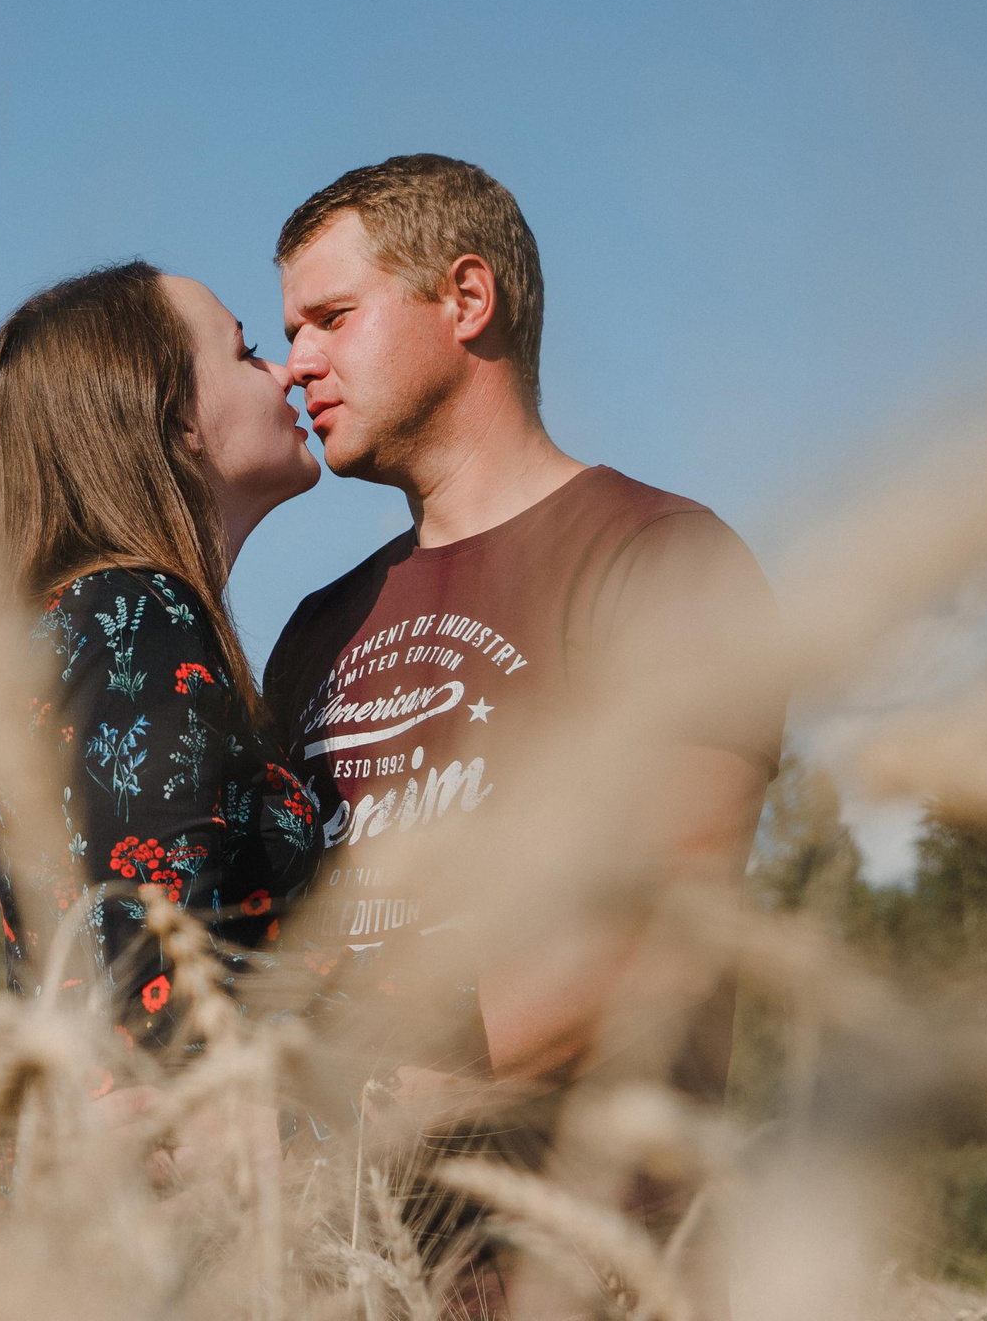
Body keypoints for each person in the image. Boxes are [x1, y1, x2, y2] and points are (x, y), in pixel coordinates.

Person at [258, 155, 783, 1287]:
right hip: (350, 1280)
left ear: (465, 300)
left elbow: (655, 933)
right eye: (289, 331)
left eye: (332, 318)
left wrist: (336, 1115)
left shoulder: (660, 559)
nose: (298, 364)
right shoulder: (312, 631)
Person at [0, 260, 337, 1049]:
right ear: (178, 418)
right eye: (246, 350)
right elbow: (154, 990)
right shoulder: (134, 613)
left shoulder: (90, 620)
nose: (287, 369)